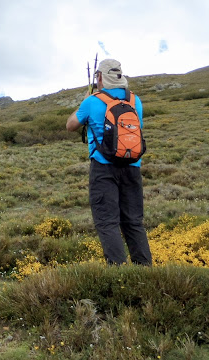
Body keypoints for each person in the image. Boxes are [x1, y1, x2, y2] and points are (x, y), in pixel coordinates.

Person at [66, 59, 152, 266]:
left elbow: (70, 125)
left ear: (100, 77)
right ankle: (145, 272)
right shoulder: (135, 100)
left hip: (103, 168)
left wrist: (86, 100)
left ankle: (118, 274)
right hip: (132, 167)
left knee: (107, 222)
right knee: (133, 222)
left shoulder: (92, 101)